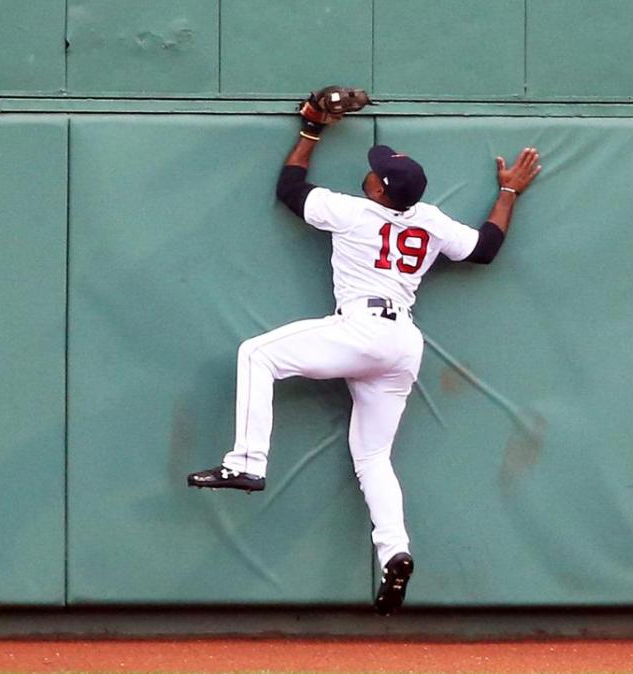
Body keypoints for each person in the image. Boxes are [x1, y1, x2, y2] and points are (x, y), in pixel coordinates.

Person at [188, 108, 541, 615]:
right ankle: (395, 551)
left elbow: (290, 186)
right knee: (373, 459)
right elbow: (484, 249)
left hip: (360, 329)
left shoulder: (352, 211)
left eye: (377, 173)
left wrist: (312, 129)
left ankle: (246, 462)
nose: (371, 171)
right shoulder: (431, 220)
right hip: (402, 345)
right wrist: (508, 193)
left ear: (379, 193)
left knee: (256, 354)